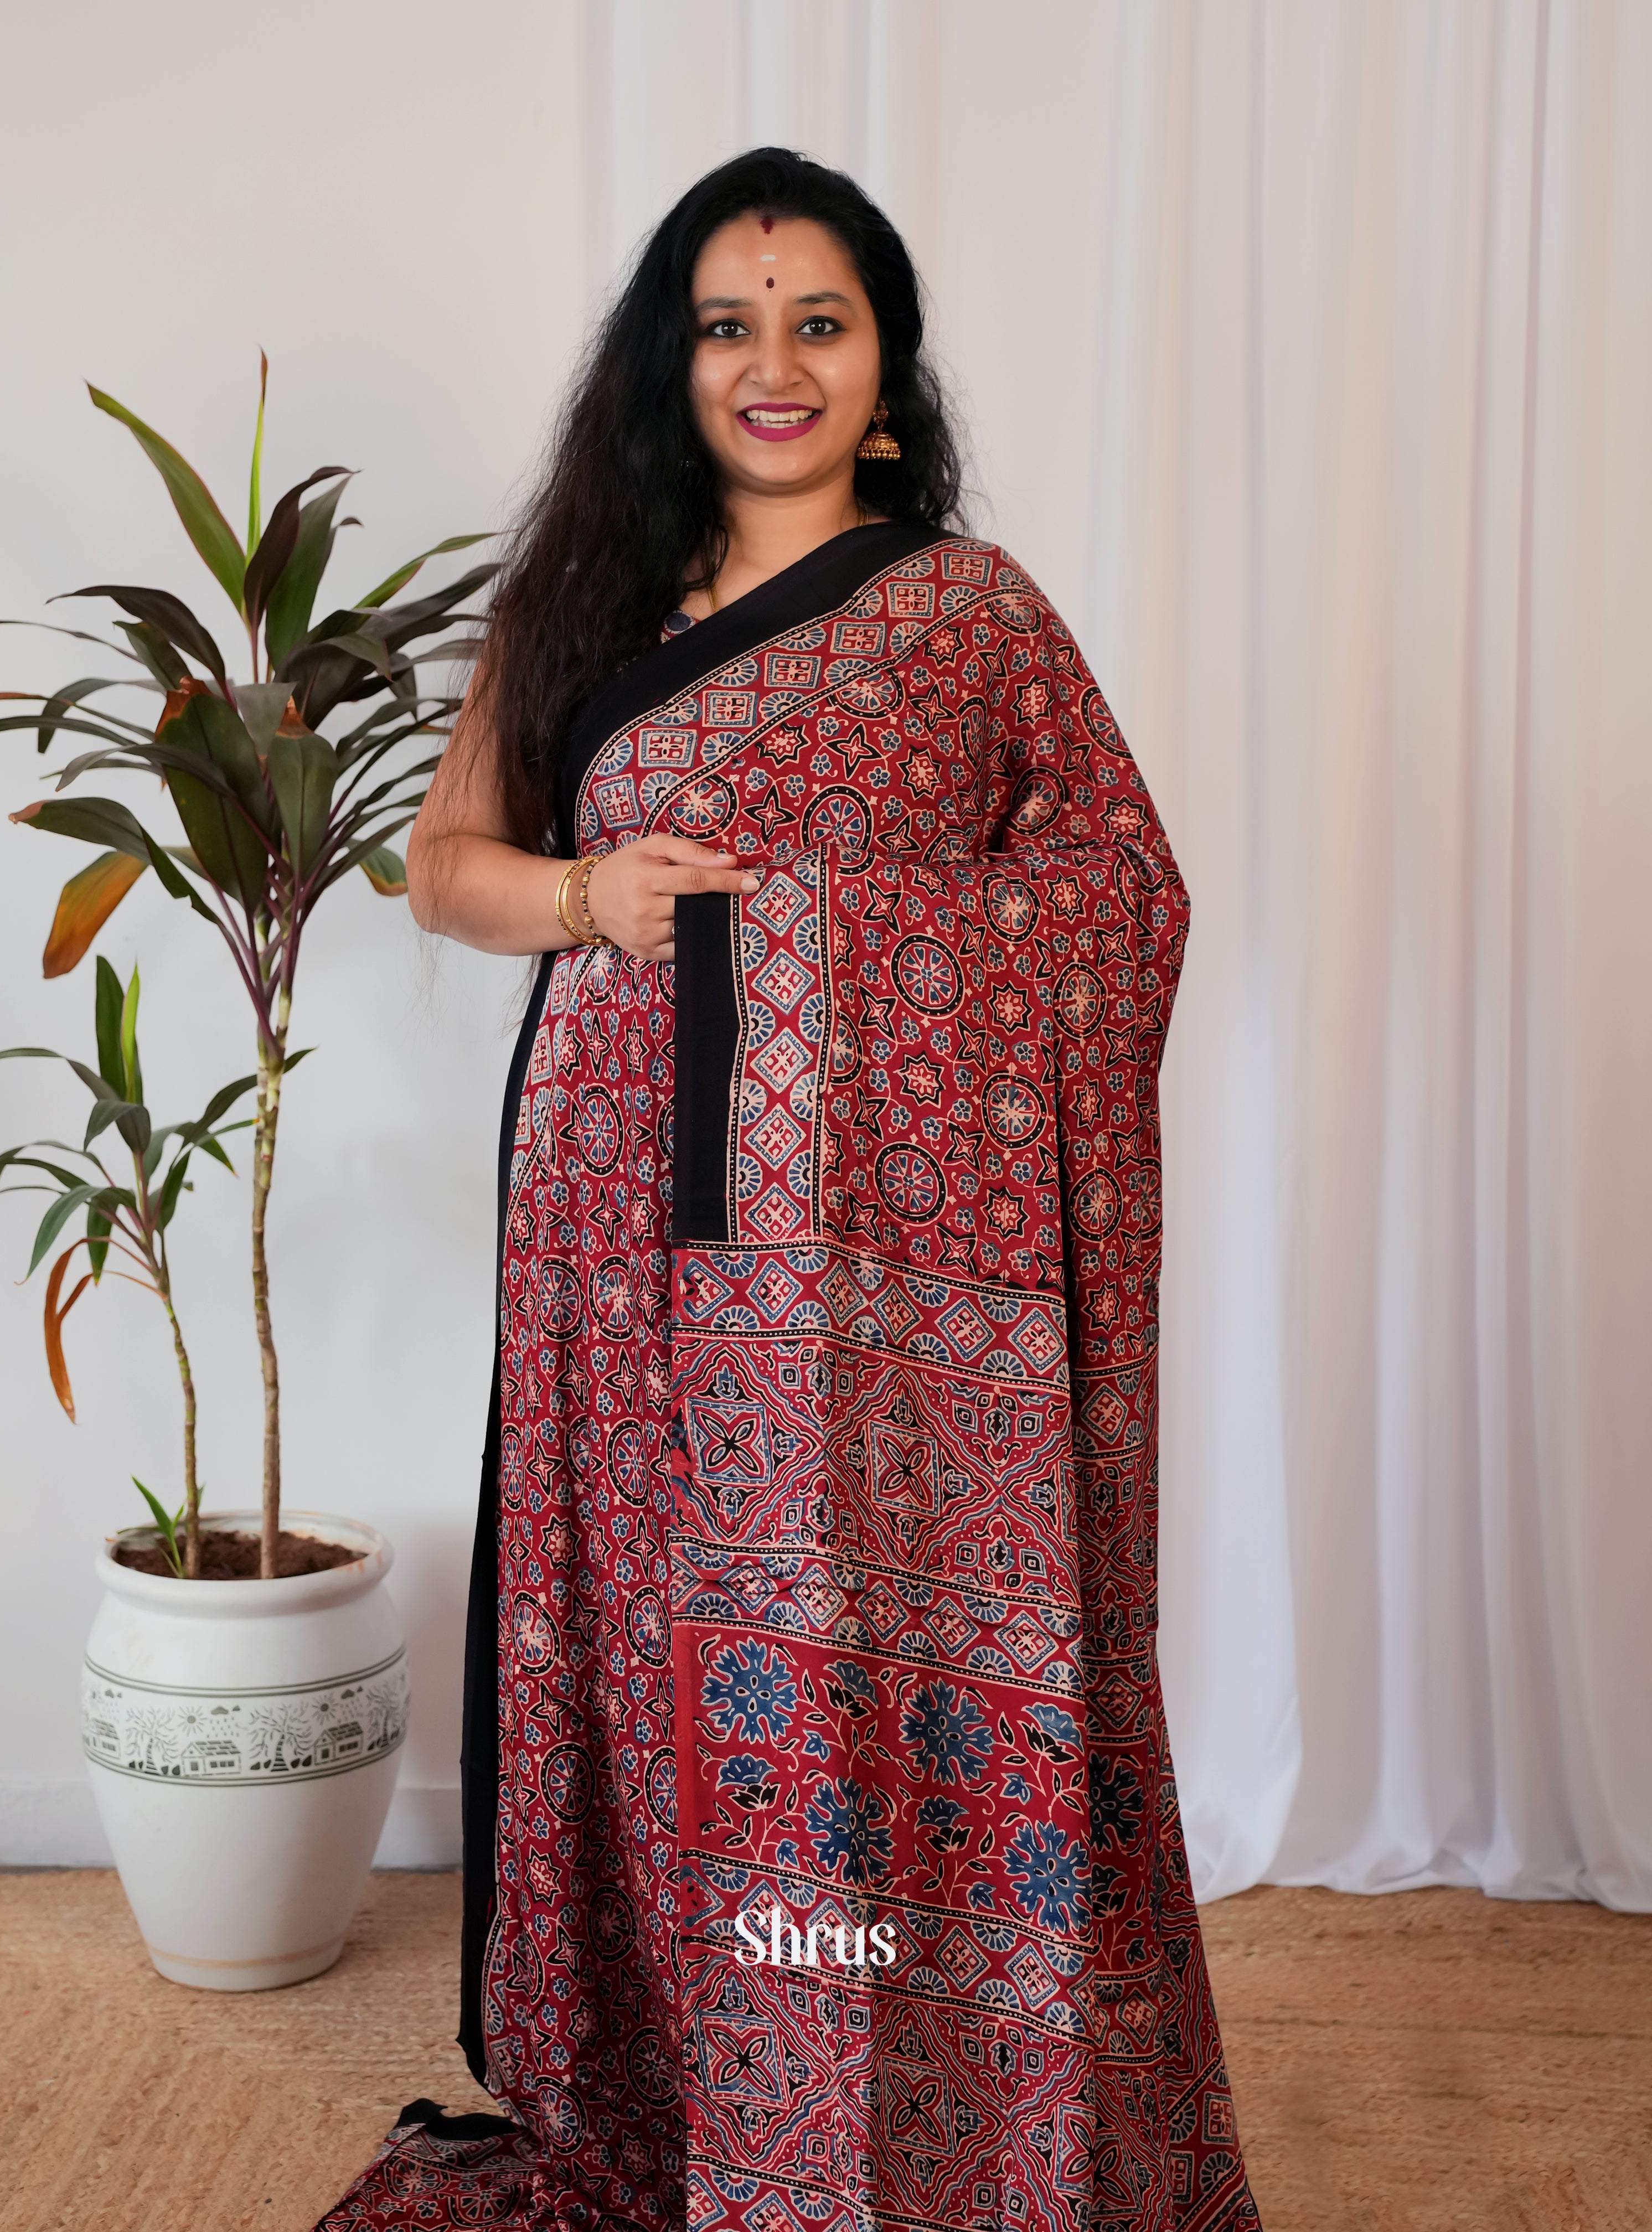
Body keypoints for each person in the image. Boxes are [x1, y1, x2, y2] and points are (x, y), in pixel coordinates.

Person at [318, 147, 1261, 2232]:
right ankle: (684, 2079)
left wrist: (846, 944)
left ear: (886, 372)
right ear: (672, 367)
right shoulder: (579, 593)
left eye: (818, 324)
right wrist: (591, 894)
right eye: (729, 326)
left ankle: (917, 2083)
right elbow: (448, 863)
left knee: (873, 1641)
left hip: (890, 1268)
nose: (773, 365)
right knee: (665, 1644)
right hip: (617, 1238)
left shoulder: (969, 612)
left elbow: (1121, 890)